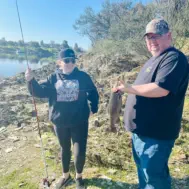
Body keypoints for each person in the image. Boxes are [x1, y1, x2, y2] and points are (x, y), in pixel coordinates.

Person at [115, 18, 189, 189]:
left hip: (157, 134)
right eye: (148, 38)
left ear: (168, 35)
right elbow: (143, 89)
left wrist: (129, 88)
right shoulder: (152, 61)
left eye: (156, 36)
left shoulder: (174, 58)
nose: (152, 42)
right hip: (140, 133)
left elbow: (161, 89)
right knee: (144, 174)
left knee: (154, 179)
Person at [25, 48, 99, 189]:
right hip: (60, 122)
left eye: (72, 60)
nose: (70, 63)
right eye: (66, 61)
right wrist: (30, 81)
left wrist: (93, 108)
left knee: (79, 151)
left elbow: (93, 92)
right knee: (64, 149)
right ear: (59, 62)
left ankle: (79, 177)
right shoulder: (53, 78)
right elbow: (39, 91)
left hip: (80, 121)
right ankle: (65, 176)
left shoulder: (83, 77)